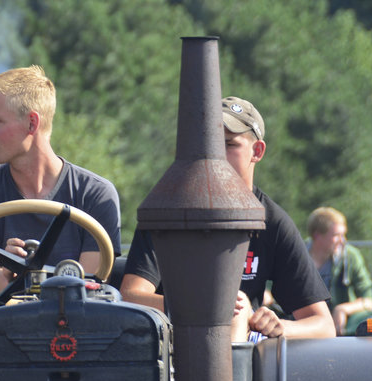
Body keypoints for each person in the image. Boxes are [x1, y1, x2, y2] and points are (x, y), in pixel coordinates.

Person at [0, 65, 122, 342]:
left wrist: (35, 281)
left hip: (75, 334)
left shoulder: (95, 194)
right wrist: (7, 271)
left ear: (32, 123)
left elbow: (89, 288)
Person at [120, 96, 335, 341]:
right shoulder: (169, 212)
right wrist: (199, 307)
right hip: (169, 347)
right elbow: (130, 297)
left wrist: (279, 326)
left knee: (237, 310)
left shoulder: (273, 222)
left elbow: (323, 325)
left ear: (257, 151)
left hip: (243, 349)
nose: (215, 155)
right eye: (207, 144)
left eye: (228, 144)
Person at [306, 206, 372, 335]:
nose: (343, 241)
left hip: (342, 330)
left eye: (343, 235)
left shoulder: (350, 257)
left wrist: (343, 309)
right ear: (317, 235)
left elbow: (369, 300)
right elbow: (272, 289)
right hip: (303, 326)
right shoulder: (297, 256)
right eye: (337, 235)